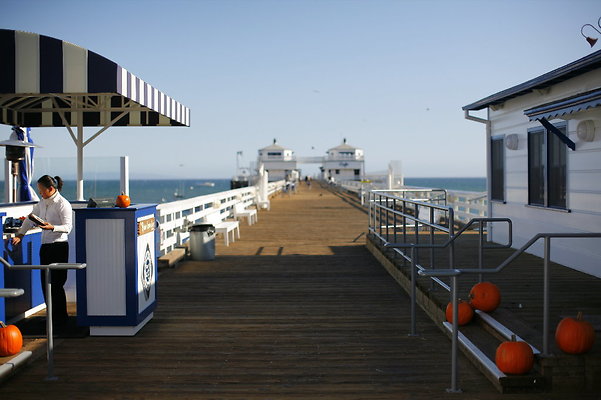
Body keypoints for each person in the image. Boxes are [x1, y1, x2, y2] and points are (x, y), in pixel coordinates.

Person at [12, 175, 72, 330]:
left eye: (41, 191)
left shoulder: (62, 204)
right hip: (45, 247)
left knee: (57, 284)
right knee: (46, 284)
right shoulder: (42, 203)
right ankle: (51, 318)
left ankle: (61, 319)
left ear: (51, 189)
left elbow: (67, 227)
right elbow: (30, 218)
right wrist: (20, 234)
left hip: (59, 247)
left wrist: (52, 227)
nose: (40, 194)